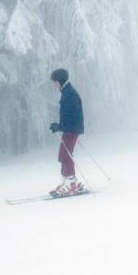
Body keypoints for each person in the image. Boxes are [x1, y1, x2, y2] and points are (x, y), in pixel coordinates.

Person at [49, 68, 86, 197]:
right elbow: (67, 115)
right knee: (64, 155)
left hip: (72, 129)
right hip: (71, 128)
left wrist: (60, 126)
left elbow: (71, 115)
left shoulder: (69, 94)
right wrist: (59, 126)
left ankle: (71, 184)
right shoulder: (67, 92)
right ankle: (69, 182)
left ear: (59, 81)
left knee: (65, 155)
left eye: (53, 82)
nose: (53, 85)